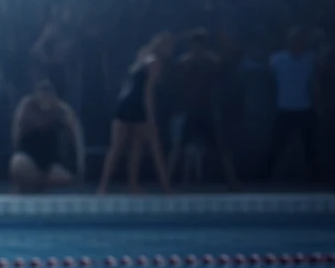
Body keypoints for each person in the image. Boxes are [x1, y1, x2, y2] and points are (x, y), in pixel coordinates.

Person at [97, 32, 174, 194]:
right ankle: (166, 188)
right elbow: (147, 92)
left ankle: (110, 186)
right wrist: (151, 119)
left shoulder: (142, 55)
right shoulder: (155, 63)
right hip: (137, 104)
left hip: (124, 102)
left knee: (129, 146)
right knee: (154, 146)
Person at [167, 29, 238, 188]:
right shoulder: (184, 61)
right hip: (189, 110)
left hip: (206, 109)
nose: (197, 49)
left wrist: (224, 42)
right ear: (191, 46)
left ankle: (233, 182)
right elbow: (176, 77)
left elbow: (228, 59)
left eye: (200, 45)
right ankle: (166, 181)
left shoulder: (210, 61)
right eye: (195, 45)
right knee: (177, 147)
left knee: (221, 147)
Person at [263, 27, 320, 182]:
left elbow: (314, 83)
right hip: (285, 108)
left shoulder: (310, 59)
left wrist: (316, 102)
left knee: (310, 145)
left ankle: (313, 177)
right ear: (288, 41)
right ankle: (266, 176)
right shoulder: (277, 59)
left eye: (300, 39)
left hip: (305, 108)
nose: (297, 42)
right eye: (294, 39)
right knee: (277, 145)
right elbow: (270, 80)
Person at [9, 79, 84, 193]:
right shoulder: (27, 106)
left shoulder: (61, 109)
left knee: (66, 178)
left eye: (48, 94)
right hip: (29, 157)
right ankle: (30, 181)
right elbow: (16, 133)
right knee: (17, 164)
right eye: (42, 93)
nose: (45, 98)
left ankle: (37, 182)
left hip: (50, 162)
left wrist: (80, 164)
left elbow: (77, 136)